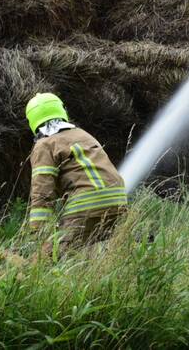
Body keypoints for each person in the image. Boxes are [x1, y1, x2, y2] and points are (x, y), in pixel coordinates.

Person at [25, 92, 128, 251]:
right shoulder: (83, 135)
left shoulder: (44, 145)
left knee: (51, 257)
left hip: (86, 206)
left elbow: (42, 192)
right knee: (93, 251)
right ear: (62, 111)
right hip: (118, 202)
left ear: (32, 120)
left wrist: (37, 234)